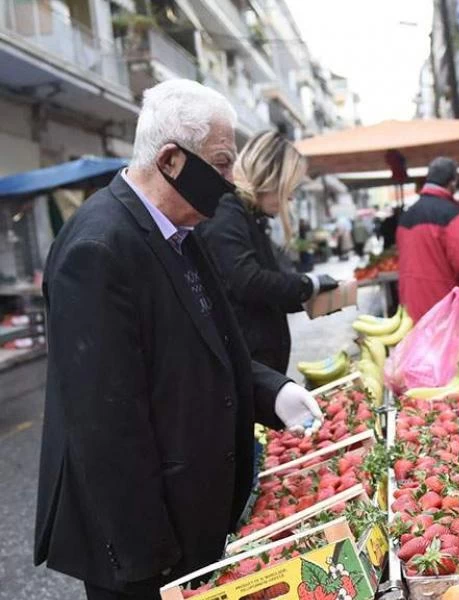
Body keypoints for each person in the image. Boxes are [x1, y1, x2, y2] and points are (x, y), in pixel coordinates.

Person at [34, 80, 324, 599]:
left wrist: (270, 391)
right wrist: (151, 560)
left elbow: (213, 343)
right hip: (144, 541)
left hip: (190, 515)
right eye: (220, 162)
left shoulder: (179, 232)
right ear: (170, 160)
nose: (231, 180)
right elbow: (105, 425)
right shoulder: (99, 248)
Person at [198, 131, 339, 374]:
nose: (292, 197)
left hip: (261, 364)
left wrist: (314, 298)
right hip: (246, 367)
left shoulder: (249, 216)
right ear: (270, 178)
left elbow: (267, 292)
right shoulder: (226, 210)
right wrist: (308, 284)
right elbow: (247, 280)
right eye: (289, 188)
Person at [397, 156, 459, 331]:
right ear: (452, 182)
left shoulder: (406, 217)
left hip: (414, 312)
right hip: (449, 314)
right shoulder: (453, 215)